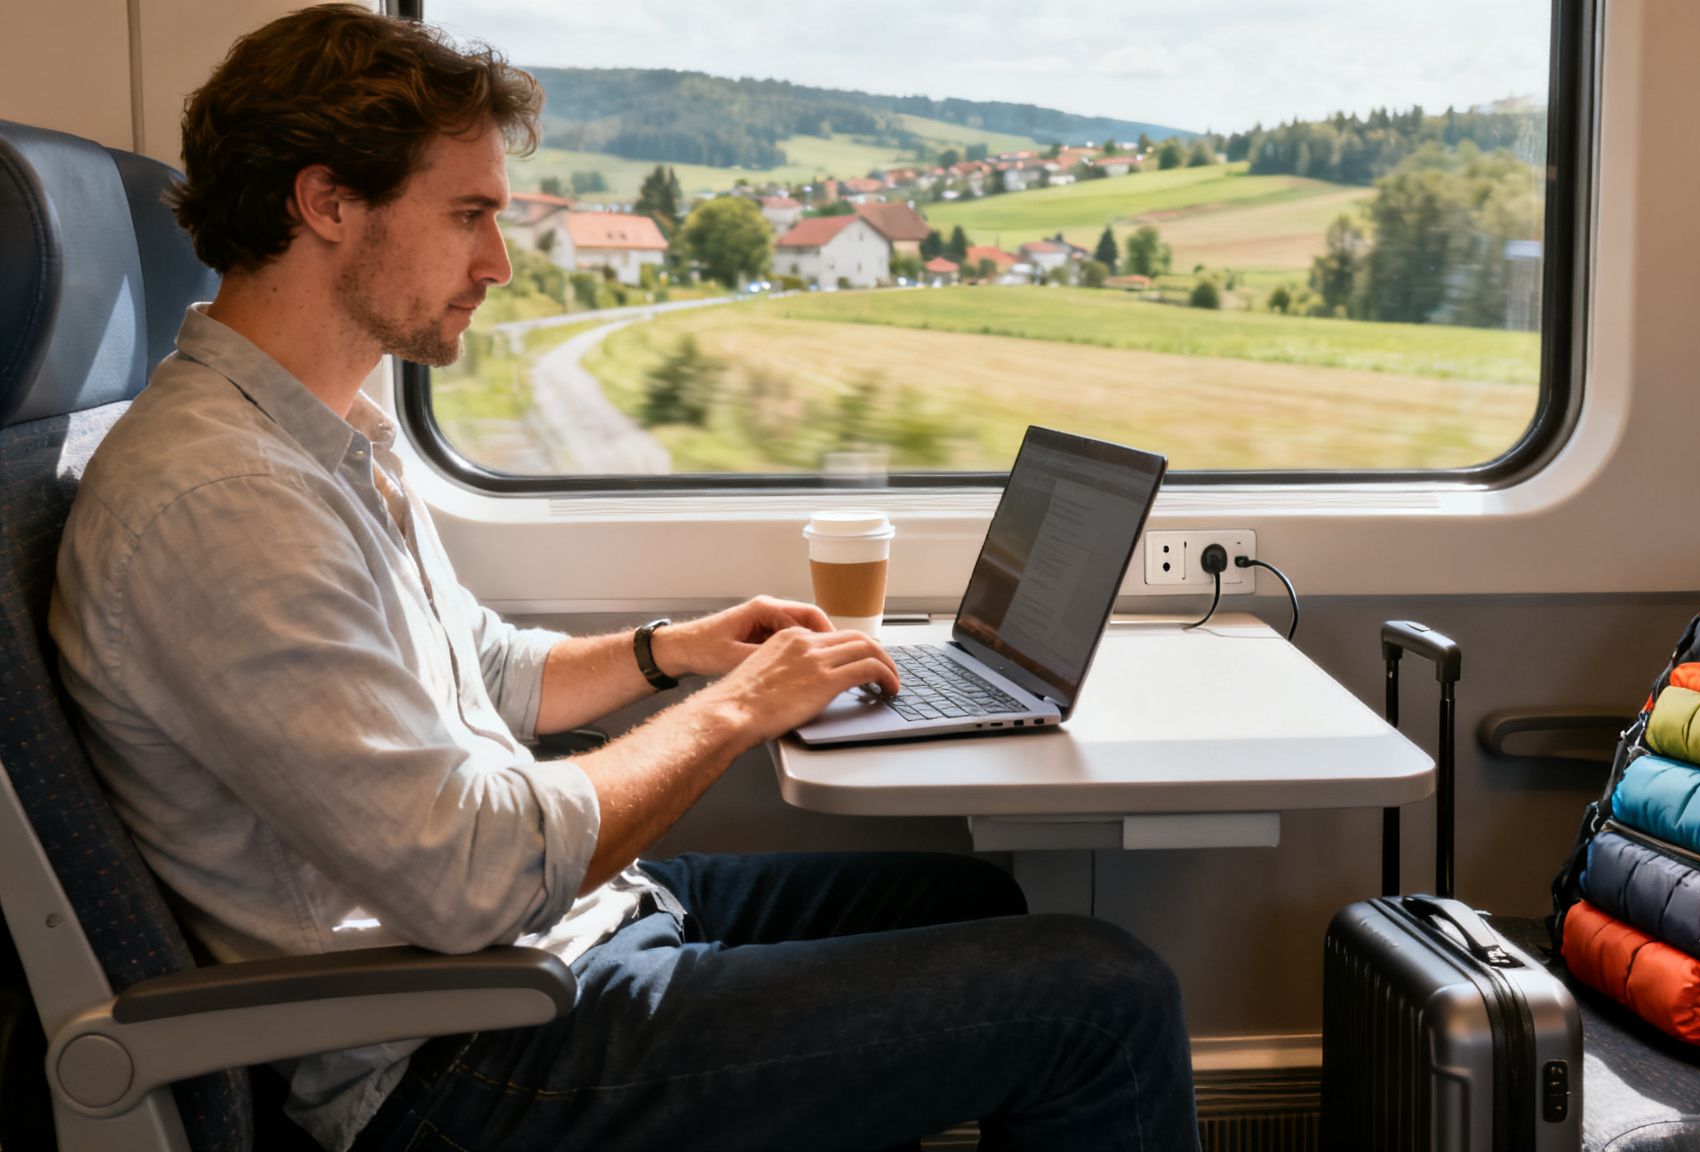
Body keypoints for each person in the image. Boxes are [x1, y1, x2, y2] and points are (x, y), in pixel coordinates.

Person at [46, 6, 1198, 1150]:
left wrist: (674, 652)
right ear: (328, 201)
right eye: (468, 216)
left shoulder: (326, 435)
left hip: (547, 950)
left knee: (969, 903)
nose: (498, 263)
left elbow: (480, 673)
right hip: (456, 1057)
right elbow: (474, 876)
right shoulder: (222, 500)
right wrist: (737, 711)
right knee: (1099, 994)